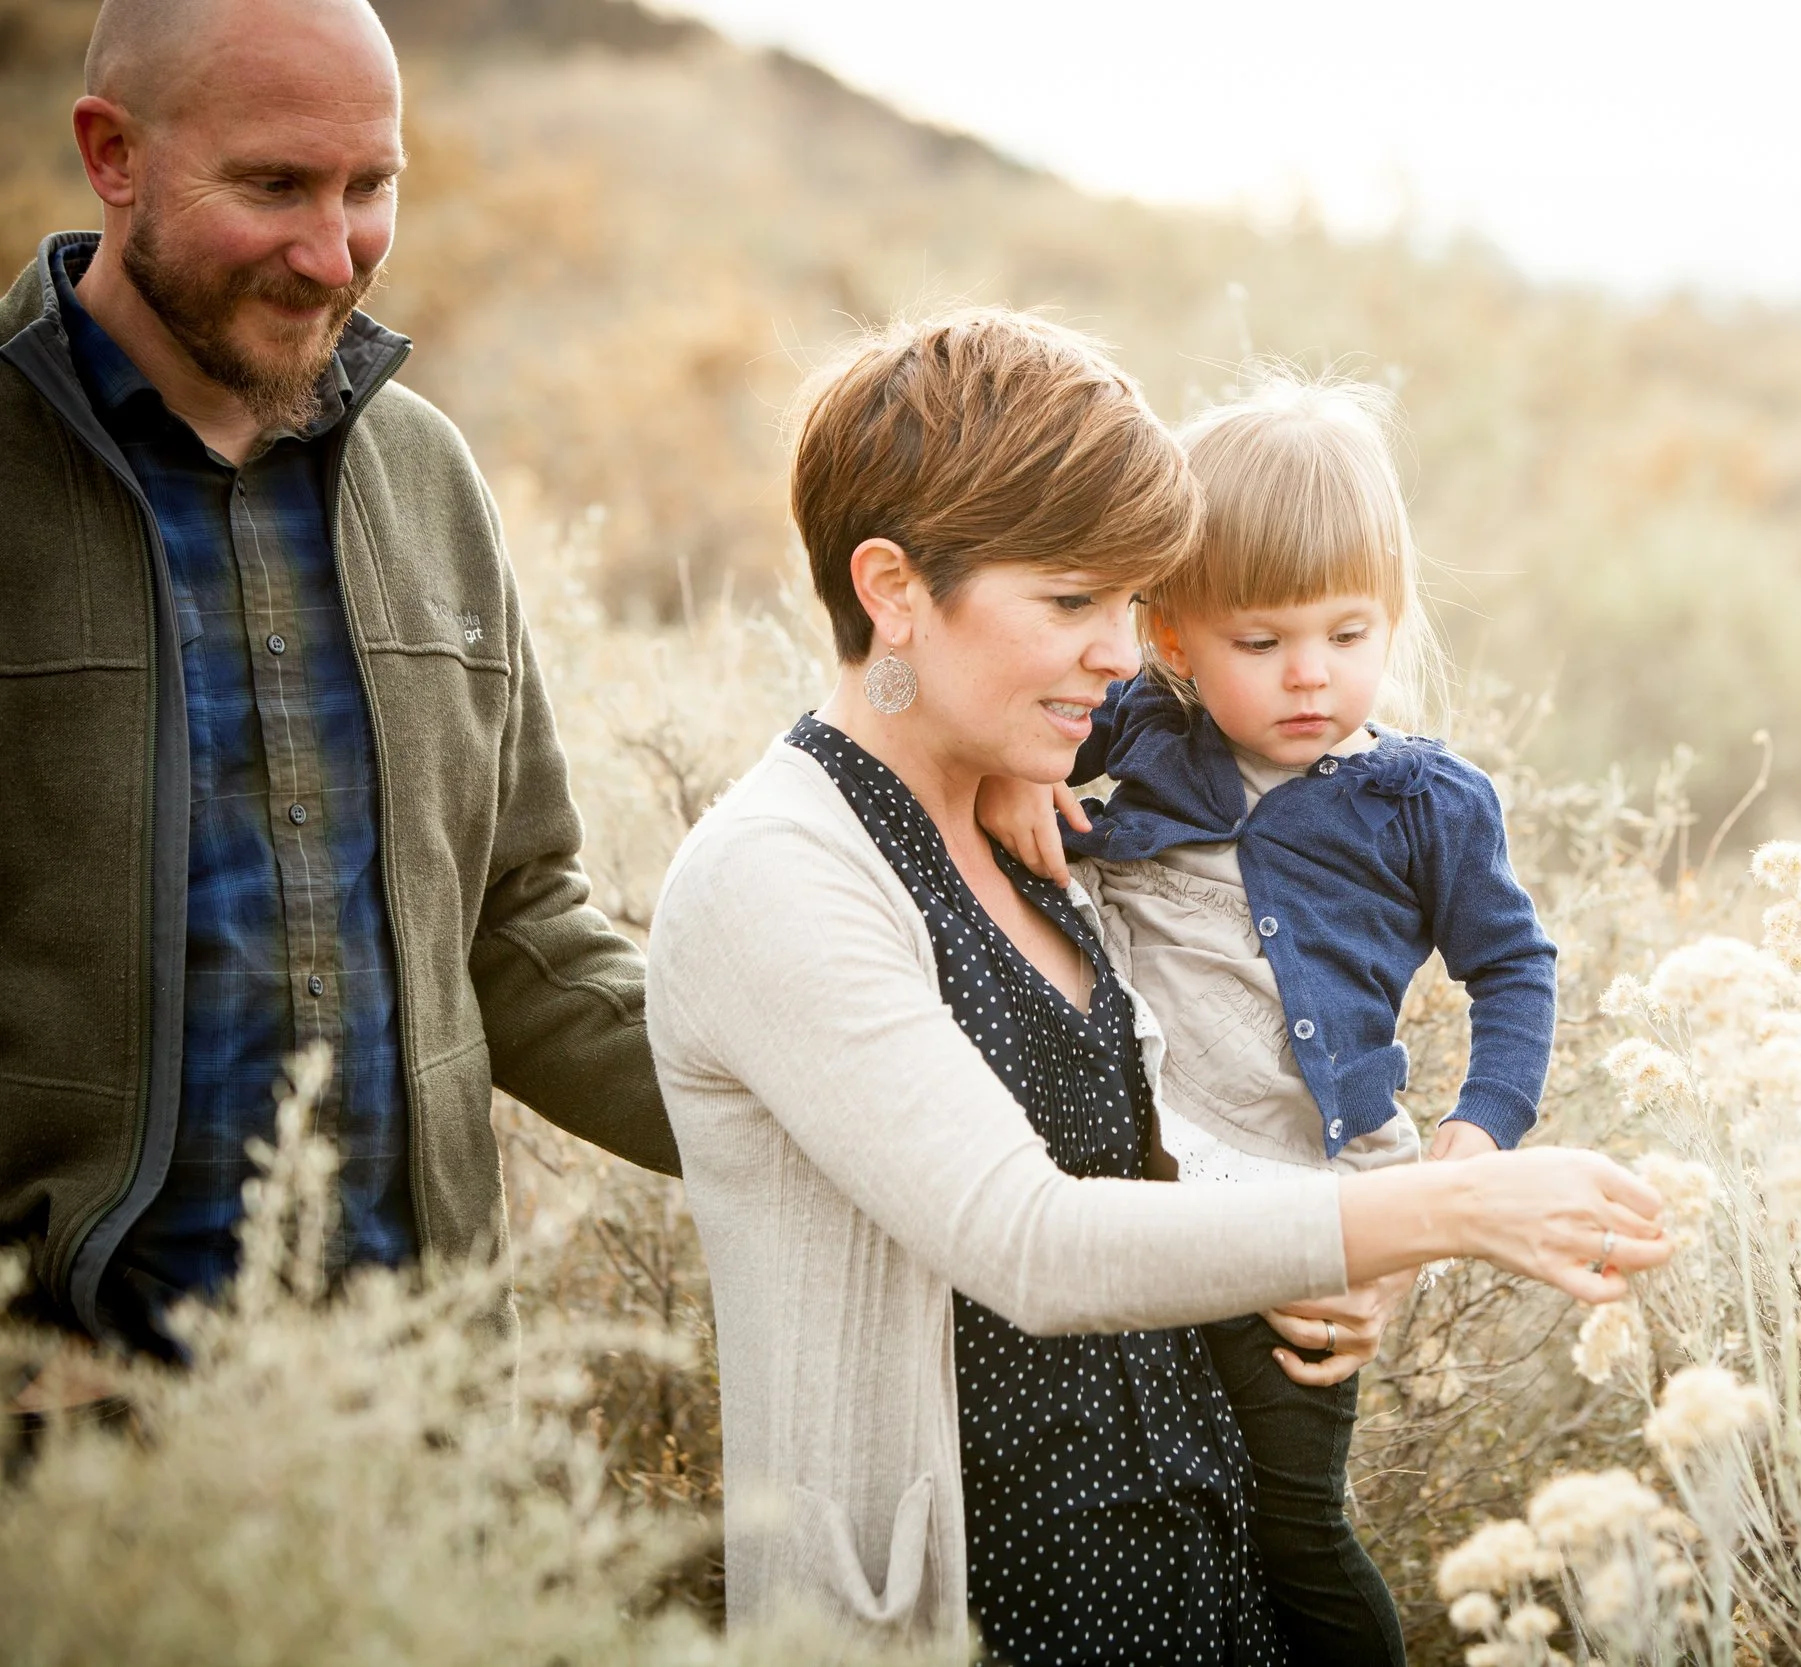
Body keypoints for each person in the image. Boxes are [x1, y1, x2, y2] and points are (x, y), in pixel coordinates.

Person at [647, 310, 1668, 1662]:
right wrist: (1442, 1207)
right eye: (1073, 602)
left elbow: (1178, 1148)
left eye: (1132, 603)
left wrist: (1349, 1242)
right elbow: (1031, 1239)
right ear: (891, 586)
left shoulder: (1056, 821)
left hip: (1190, 1574)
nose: (1124, 653)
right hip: (967, 1615)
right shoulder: (779, 871)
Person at [0, 0, 677, 1373]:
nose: (333, 255)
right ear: (112, 153)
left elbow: (519, 925)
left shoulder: (427, 478)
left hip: (412, 1421)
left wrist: (845, 1105)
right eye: (273, 187)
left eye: (372, 189)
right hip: (62, 1446)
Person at [974, 372, 1546, 1666]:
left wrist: (1473, 1150)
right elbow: (1016, 714)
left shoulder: (1422, 801)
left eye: (1350, 634)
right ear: (1171, 634)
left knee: (1291, 1528)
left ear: (1393, 619)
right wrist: (1024, 768)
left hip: (1315, 1217)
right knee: (1162, 1507)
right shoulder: (1144, 726)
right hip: (1138, 1188)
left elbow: (1515, 973)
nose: (1309, 676)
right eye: (1263, 640)